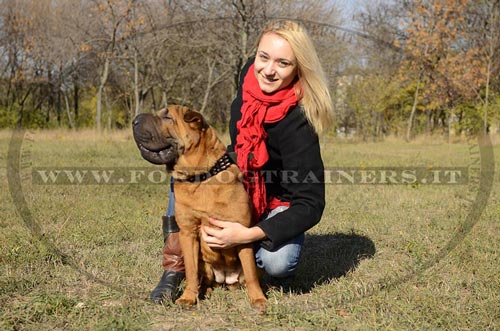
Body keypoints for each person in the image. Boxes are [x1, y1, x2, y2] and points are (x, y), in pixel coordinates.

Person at [149, 20, 333, 304]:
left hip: (276, 203)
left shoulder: (299, 122)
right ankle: (175, 270)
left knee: (278, 263)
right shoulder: (248, 83)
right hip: (245, 181)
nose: (269, 70)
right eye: (264, 57)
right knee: (190, 173)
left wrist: (247, 233)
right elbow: (239, 148)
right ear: (255, 54)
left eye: (283, 63)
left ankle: (245, 258)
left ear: (298, 68)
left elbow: (310, 203)